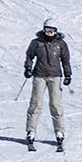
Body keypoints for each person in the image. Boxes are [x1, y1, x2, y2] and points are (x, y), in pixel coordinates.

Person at [23, 20, 72, 151]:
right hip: (39, 75)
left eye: (52, 30)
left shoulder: (61, 44)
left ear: (56, 31)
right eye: (47, 29)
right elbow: (29, 56)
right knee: (36, 103)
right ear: (43, 29)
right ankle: (31, 132)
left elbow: (65, 60)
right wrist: (28, 68)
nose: (49, 32)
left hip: (55, 76)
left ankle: (59, 132)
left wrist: (68, 75)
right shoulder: (36, 42)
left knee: (55, 104)